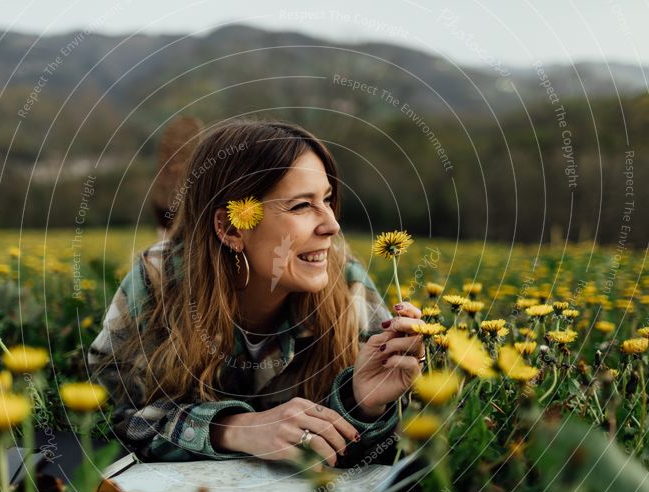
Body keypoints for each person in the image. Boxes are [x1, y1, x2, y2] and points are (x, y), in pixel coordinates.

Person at [88, 119, 425, 469]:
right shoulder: (160, 281)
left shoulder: (346, 283)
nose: (332, 225)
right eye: (301, 206)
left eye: (327, 200)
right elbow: (119, 418)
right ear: (233, 228)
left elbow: (376, 449)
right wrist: (235, 428)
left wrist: (363, 403)